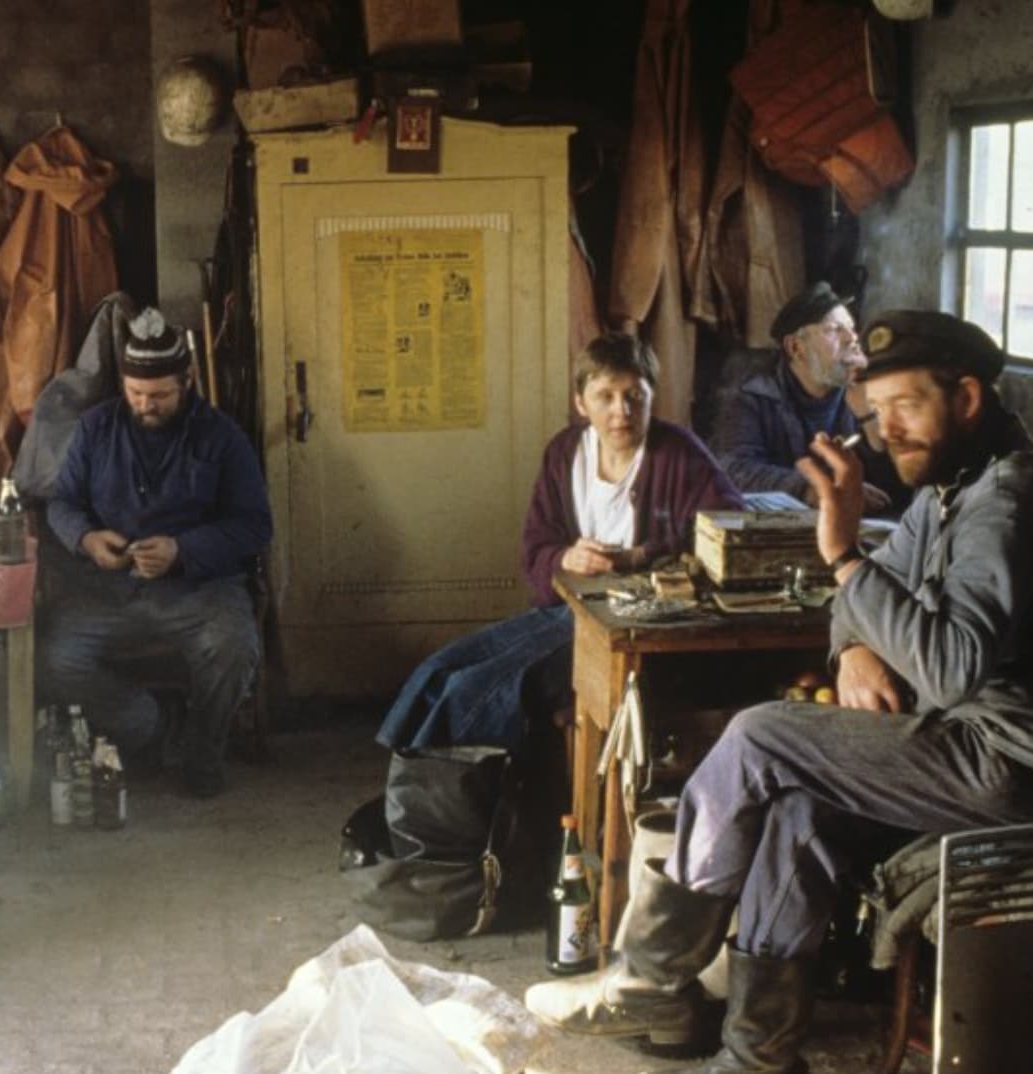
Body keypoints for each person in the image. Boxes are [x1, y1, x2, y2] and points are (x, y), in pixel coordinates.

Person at [526, 310, 1033, 1074]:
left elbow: (952, 664)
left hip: (1000, 765)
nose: (888, 430)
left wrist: (840, 556)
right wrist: (855, 644)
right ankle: (756, 1056)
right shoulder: (948, 483)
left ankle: (652, 972)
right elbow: (879, 587)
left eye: (908, 407)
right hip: (953, 743)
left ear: (966, 399)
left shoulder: (1004, 502)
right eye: (877, 411)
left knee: (761, 737)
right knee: (799, 808)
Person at [376, 332, 743, 752]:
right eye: (604, 396)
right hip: (565, 611)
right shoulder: (565, 453)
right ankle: (416, 785)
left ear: (651, 397)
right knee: (438, 671)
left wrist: (639, 556)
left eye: (634, 396)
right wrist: (566, 556)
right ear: (580, 402)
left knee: (476, 690)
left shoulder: (680, 454)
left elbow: (729, 530)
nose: (621, 411)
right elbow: (535, 547)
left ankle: (451, 795)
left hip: (631, 628)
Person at [42, 307, 272, 798]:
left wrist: (183, 549)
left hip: (199, 588)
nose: (146, 405)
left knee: (235, 646)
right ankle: (148, 726)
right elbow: (61, 503)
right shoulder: (95, 429)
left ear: (185, 382)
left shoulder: (222, 437)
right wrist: (86, 538)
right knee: (55, 657)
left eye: (160, 395)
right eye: (136, 394)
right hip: (110, 590)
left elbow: (254, 525)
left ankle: (202, 750)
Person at [712, 281, 905, 514]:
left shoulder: (866, 392)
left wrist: (869, 416)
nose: (851, 339)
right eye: (834, 330)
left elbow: (896, 487)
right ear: (795, 347)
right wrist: (812, 489)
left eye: (851, 328)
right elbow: (735, 470)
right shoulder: (752, 397)